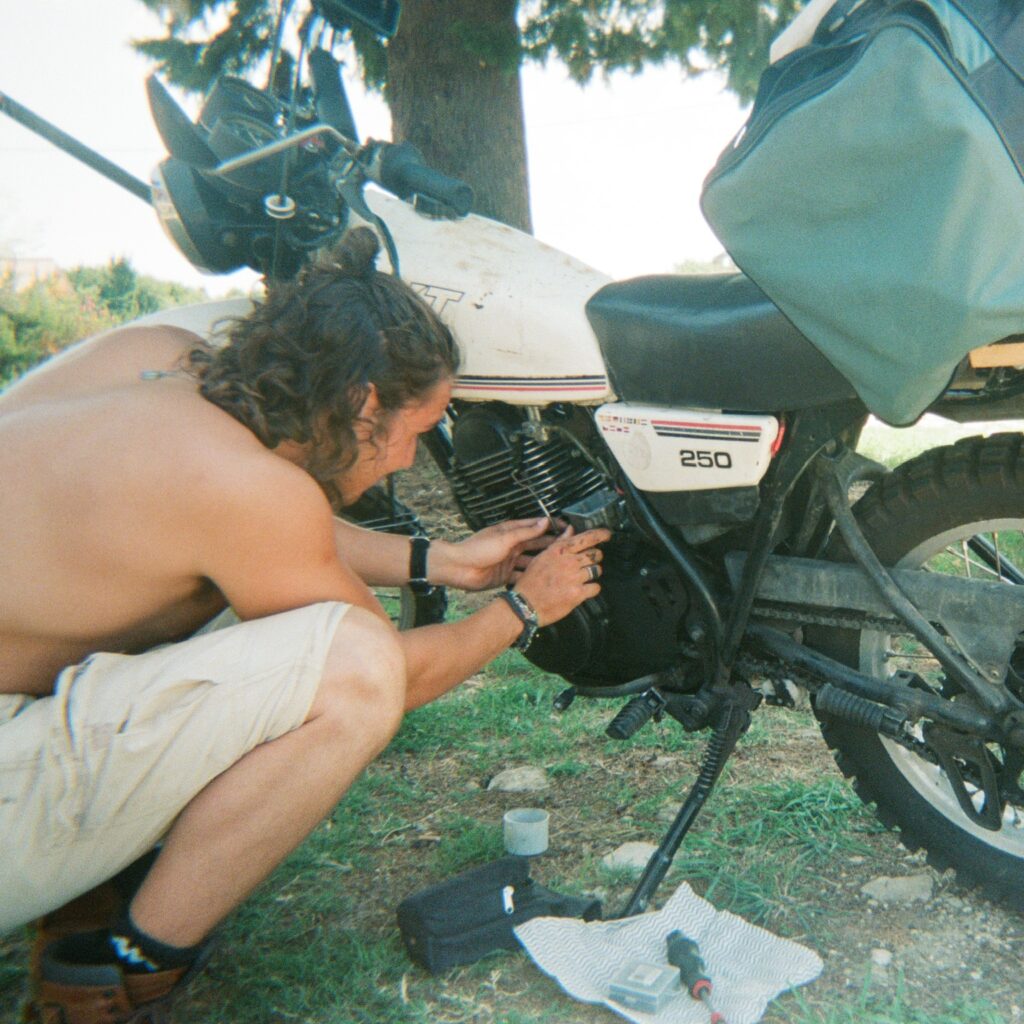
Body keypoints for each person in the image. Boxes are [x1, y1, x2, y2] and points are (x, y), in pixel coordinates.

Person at [0, 227, 609, 1023]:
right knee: (349, 669)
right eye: (417, 434)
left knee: (268, 641)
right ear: (362, 405)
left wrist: (446, 561)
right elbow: (390, 671)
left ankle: (87, 883)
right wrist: (524, 606)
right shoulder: (248, 492)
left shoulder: (163, 361)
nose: (406, 463)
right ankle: (127, 969)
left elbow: (237, 524)